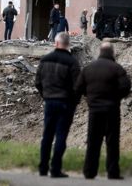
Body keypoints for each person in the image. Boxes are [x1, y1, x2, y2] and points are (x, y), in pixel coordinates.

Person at [74, 42, 131, 180]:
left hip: (94, 110)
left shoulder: (88, 69)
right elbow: (126, 87)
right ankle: (112, 172)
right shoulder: (117, 69)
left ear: (100, 52)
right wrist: (116, 97)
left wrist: (90, 96)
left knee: (93, 141)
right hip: (112, 110)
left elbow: (78, 88)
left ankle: (89, 171)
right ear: (112, 53)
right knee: (112, 141)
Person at [35, 32, 81, 178]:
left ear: (56, 43)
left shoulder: (45, 59)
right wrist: (74, 101)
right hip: (65, 103)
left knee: (47, 135)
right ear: (68, 44)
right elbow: (77, 86)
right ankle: (55, 169)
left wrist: (46, 95)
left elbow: (37, 82)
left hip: (49, 101)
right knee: (61, 135)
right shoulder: (72, 62)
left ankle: (43, 168)